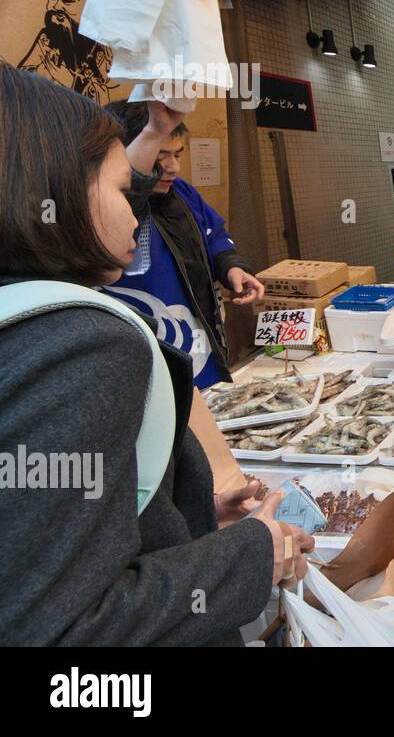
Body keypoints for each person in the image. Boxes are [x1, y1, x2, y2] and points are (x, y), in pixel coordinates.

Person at [0, 67, 310, 645]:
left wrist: (186, 512)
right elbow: (60, 625)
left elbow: (38, 532)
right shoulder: (81, 346)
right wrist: (247, 556)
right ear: (55, 195)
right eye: (122, 191)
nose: (133, 212)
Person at [101, 101, 265, 390]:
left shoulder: (183, 192)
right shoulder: (110, 208)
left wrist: (231, 267)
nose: (173, 167)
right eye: (160, 155)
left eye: (177, 154)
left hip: (201, 339)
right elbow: (131, 195)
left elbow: (214, 234)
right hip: (150, 350)